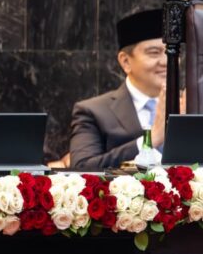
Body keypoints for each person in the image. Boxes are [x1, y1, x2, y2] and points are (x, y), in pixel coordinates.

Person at [70, 9, 169, 170]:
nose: (166, 61)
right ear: (125, 61)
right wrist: (152, 138)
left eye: (171, 52)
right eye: (154, 53)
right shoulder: (94, 111)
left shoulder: (189, 105)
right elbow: (82, 166)